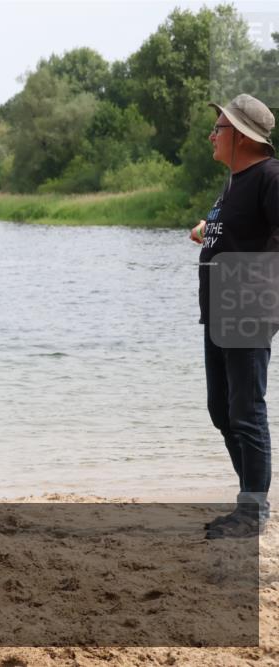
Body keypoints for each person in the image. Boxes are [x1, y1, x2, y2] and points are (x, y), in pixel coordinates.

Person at [189, 94, 279, 538]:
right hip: (219, 311)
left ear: (242, 137)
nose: (212, 134)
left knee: (245, 411)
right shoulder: (233, 182)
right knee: (221, 411)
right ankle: (248, 501)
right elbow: (240, 227)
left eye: (219, 127)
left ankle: (252, 512)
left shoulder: (269, 177)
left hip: (247, 309)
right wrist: (208, 231)